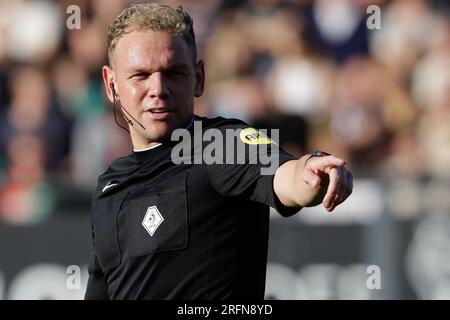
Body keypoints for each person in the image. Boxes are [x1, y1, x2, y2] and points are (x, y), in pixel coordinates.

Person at [85, 3, 353, 300]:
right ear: (111, 85)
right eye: (140, 75)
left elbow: (286, 176)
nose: (158, 88)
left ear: (198, 78)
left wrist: (311, 171)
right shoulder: (107, 190)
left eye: (174, 72)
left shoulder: (220, 145)